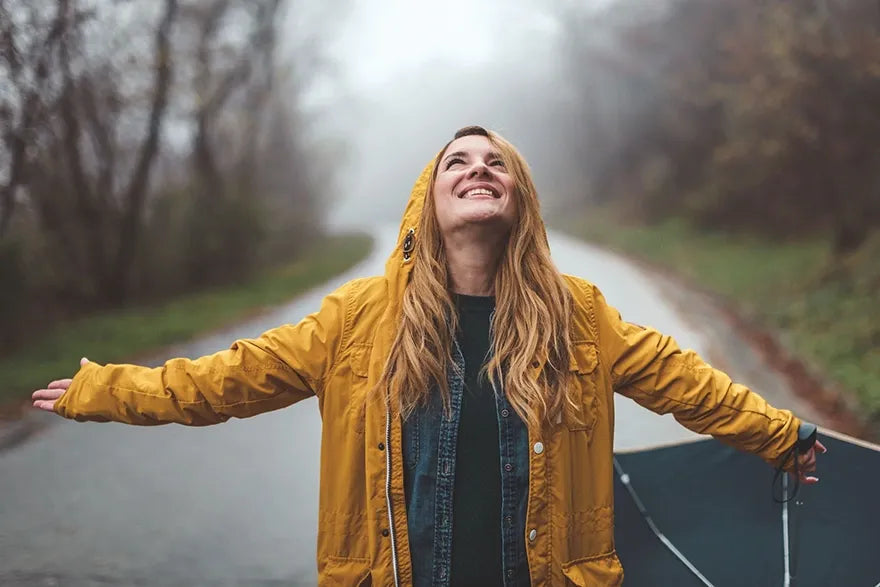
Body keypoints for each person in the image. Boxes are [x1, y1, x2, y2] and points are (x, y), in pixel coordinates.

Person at [33, 125, 825, 586]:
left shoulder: (576, 314)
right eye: (459, 161)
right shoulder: (357, 320)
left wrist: (779, 434)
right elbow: (224, 380)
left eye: (496, 163)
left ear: (519, 201)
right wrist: (104, 389)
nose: (479, 168)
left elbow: (686, 382)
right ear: (428, 199)